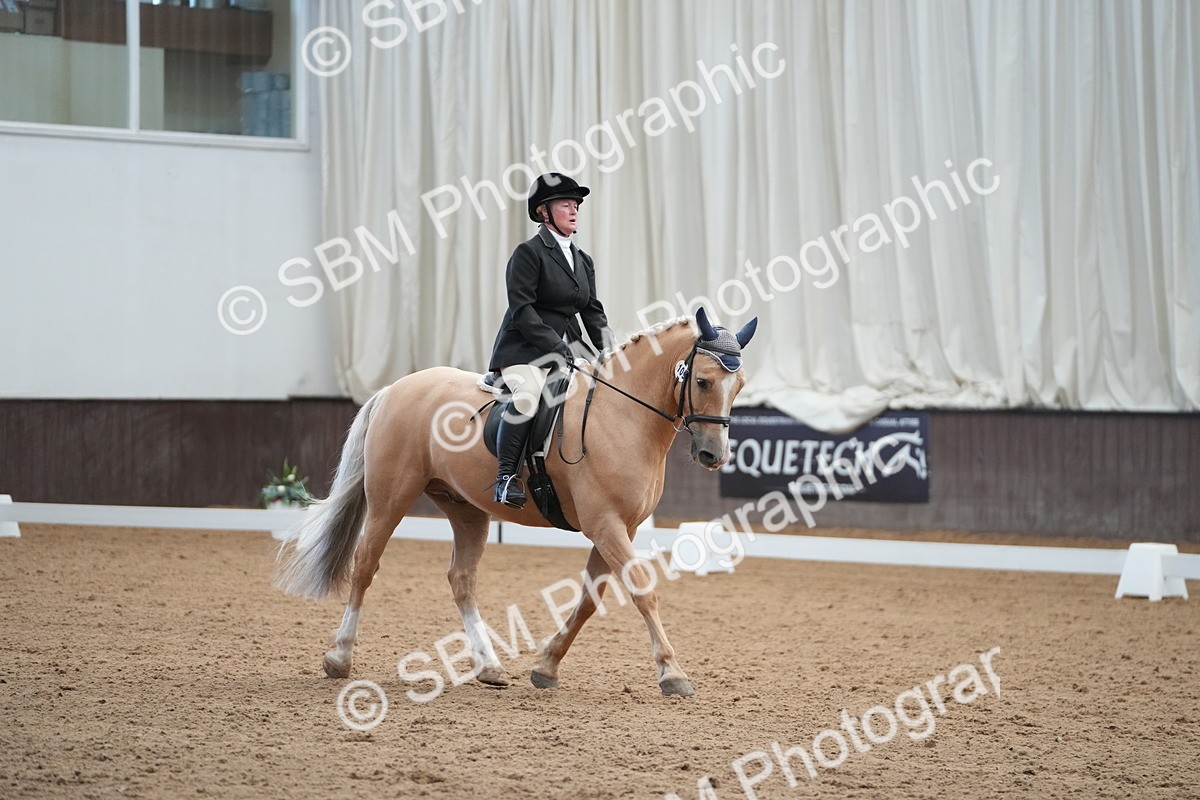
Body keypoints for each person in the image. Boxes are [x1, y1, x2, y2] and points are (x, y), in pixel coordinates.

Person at [487, 173, 614, 508]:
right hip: (523, 351)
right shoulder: (528, 253)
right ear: (544, 212)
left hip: (567, 351)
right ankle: (506, 478)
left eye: (576, 205)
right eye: (565, 204)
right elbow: (522, 310)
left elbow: (593, 312)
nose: (574, 210)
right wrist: (556, 347)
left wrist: (611, 350)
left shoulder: (582, 260)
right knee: (528, 396)